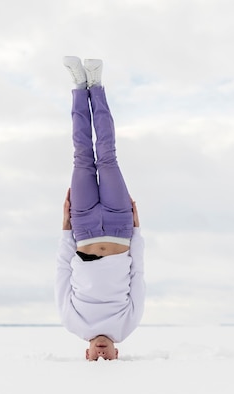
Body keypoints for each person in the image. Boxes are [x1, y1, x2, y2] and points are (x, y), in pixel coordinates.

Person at [55, 56, 145, 361]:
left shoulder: (73, 323)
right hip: (120, 226)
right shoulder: (127, 325)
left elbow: (62, 273)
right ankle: (97, 83)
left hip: (83, 228)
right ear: (117, 353)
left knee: (82, 156)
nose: (102, 355)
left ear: (86, 353)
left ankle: (79, 87)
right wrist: (136, 231)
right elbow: (138, 276)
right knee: (107, 157)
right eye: (109, 359)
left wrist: (66, 230)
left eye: (97, 359)